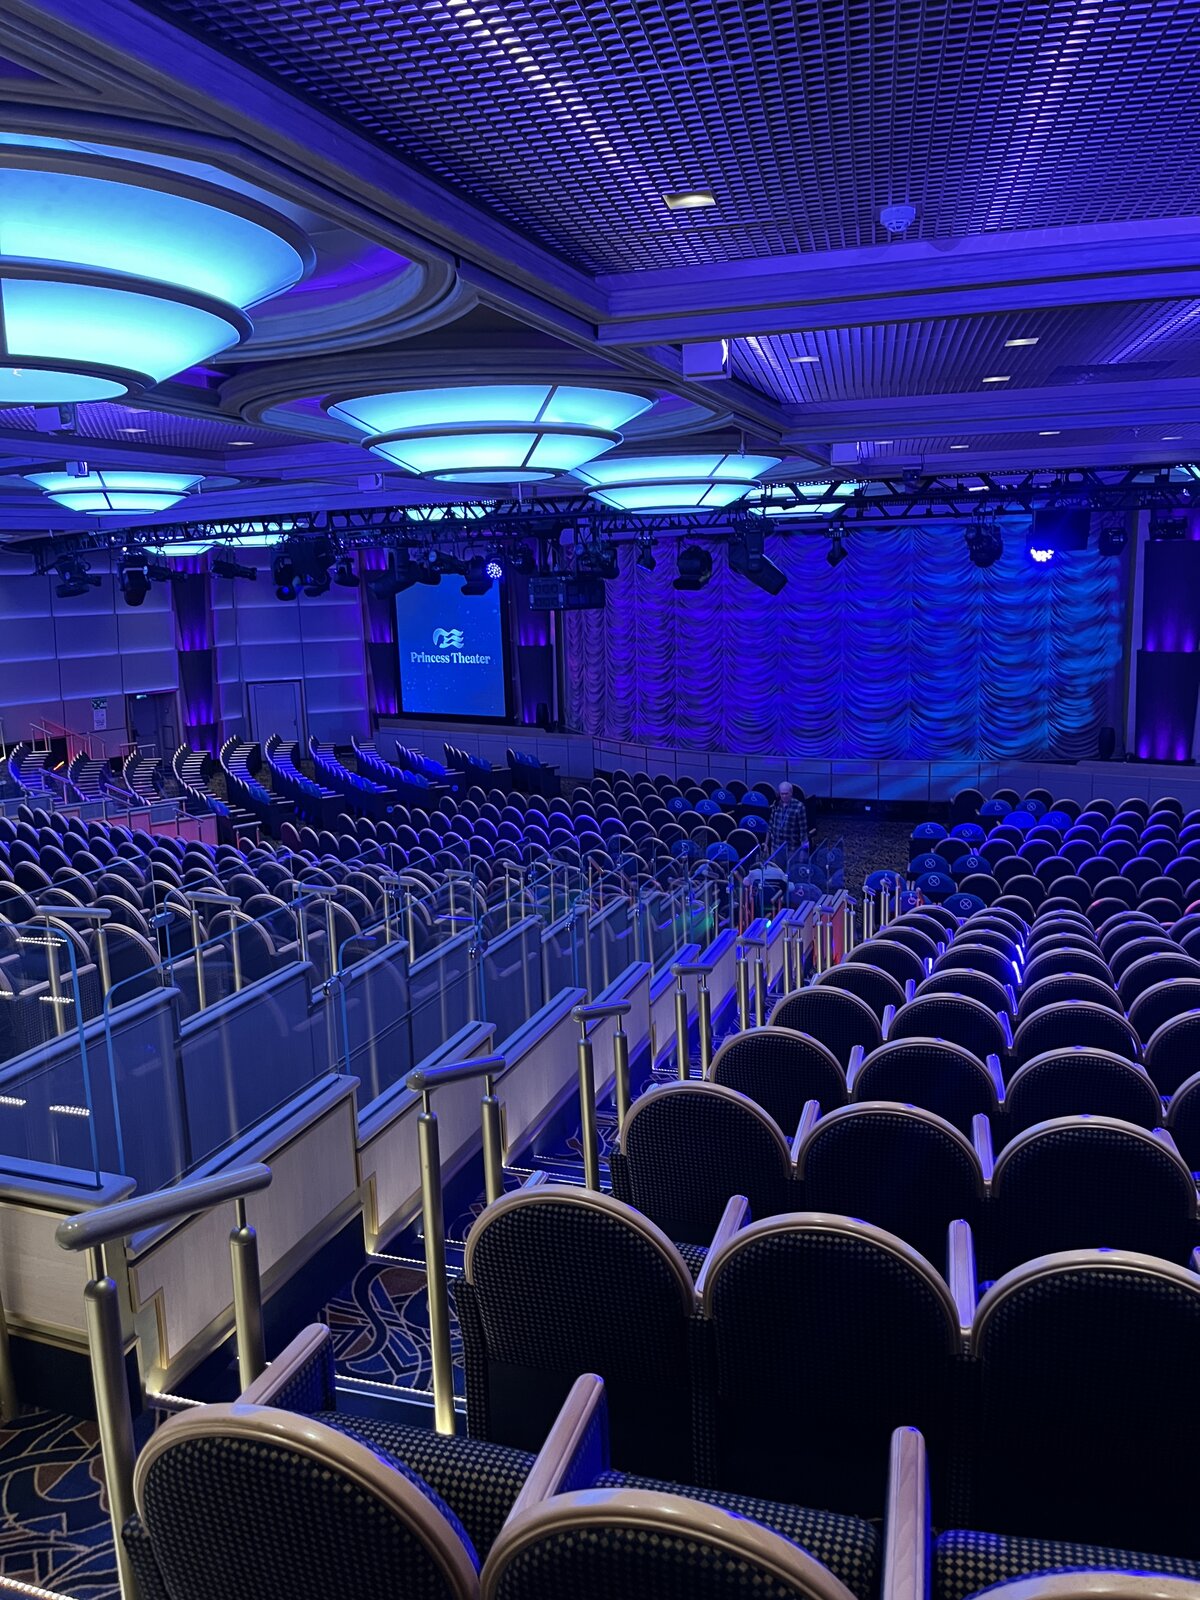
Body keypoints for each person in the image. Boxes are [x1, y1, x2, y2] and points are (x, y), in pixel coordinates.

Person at [767, 782, 808, 857]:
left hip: (791, 849)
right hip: (775, 847)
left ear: (791, 793)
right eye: (782, 794)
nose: (784, 796)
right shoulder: (776, 805)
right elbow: (770, 826)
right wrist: (766, 844)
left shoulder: (799, 807)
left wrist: (803, 851)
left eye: (786, 794)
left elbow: (803, 832)